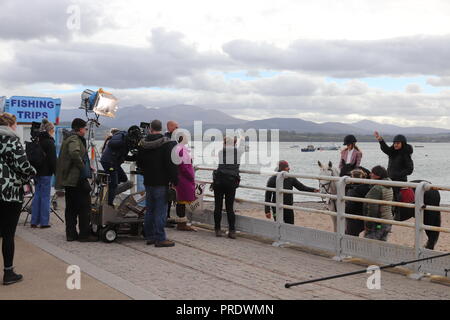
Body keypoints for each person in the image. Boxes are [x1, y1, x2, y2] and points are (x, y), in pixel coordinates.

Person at [0, 113, 36, 285]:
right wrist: (32, 171)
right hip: (9, 193)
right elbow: (22, 165)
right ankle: (8, 273)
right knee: (8, 235)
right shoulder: (12, 140)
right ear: (11, 125)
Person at [137, 120, 178, 247]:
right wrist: (175, 180)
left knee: (150, 209)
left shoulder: (143, 144)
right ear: (161, 128)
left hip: (148, 181)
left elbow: (139, 163)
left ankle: (150, 236)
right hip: (162, 181)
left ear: (150, 129)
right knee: (161, 210)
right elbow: (171, 164)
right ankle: (160, 238)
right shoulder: (168, 143)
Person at [55, 118, 97, 242]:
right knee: (85, 207)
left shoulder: (68, 138)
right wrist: (83, 166)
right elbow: (74, 153)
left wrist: (85, 164)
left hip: (69, 180)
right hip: (76, 179)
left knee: (71, 208)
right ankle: (84, 234)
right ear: (79, 129)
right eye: (85, 128)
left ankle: (71, 234)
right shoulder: (74, 139)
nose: (86, 130)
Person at [265, 161, 319, 225]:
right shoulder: (273, 179)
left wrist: (313, 190)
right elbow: (268, 196)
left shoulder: (290, 178)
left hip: (289, 207)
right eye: (287, 167)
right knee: (279, 226)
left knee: (290, 226)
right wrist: (267, 210)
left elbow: (301, 187)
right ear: (282, 168)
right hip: (277, 208)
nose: (289, 168)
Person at [212, 136, 244, 239]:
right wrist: (241, 138)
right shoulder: (238, 152)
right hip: (231, 182)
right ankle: (232, 230)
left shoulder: (221, 152)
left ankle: (217, 229)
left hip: (219, 181)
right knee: (230, 207)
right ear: (234, 143)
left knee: (218, 206)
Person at [30, 119, 57, 229]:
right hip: (46, 173)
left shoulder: (37, 140)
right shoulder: (50, 143)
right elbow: (53, 160)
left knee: (37, 196)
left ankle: (34, 221)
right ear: (50, 130)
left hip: (36, 172)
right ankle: (44, 222)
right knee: (45, 197)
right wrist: (57, 173)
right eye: (53, 130)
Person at [100, 127, 134, 206]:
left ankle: (111, 191)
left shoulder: (118, 143)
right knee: (114, 184)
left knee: (123, 178)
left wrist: (134, 157)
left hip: (112, 162)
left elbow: (123, 155)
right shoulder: (119, 143)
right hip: (111, 163)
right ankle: (109, 203)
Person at [374, 131, 414, 200]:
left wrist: (398, 174)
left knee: (396, 200)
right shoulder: (392, 152)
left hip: (400, 182)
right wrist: (380, 140)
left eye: (398, 143)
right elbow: (385, 149)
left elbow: (410, 169)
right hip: (390, 180)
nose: (395, 145)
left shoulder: (406, 155)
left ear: (403, 143)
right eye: (394, 143)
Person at [173, 131, 196, 232]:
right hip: (184, 178)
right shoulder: (181, 150)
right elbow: (184, 167)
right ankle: (182, 224)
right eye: (186, 137)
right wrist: (191, 176)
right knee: (181, 201)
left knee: (180, 200)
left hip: (179, 177)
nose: (188, 139)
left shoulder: (177, 149)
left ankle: (181, 222)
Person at [363, 166, 393, 241]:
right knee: (382, 243)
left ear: (377, 176)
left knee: (370, 243)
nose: (370, 174)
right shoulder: (389, 186)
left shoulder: (377, 188)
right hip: (388, 220)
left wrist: (368, 225)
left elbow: (373, 209)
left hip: (378, 223)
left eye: (372, 173)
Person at [344, 168, 372, 237]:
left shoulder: (352, 190)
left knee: (350, 236)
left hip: (354, 219)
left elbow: (349, 208)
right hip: (366, 217)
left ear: (352, 177)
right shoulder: (368, 187)